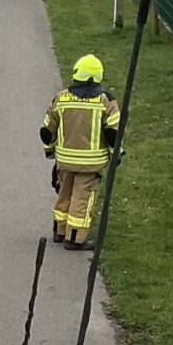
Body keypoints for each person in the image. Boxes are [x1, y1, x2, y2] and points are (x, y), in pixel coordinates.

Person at [39, 55, 120, 250]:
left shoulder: (61, 98)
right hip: (90, 164)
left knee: (64, 194)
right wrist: (117, 153)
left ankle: (59, 230)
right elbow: (113, 133)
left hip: (65, 160)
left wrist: (50, 150)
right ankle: (75, 238)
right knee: (81, 199)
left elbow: (47, 130)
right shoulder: (106, 100)